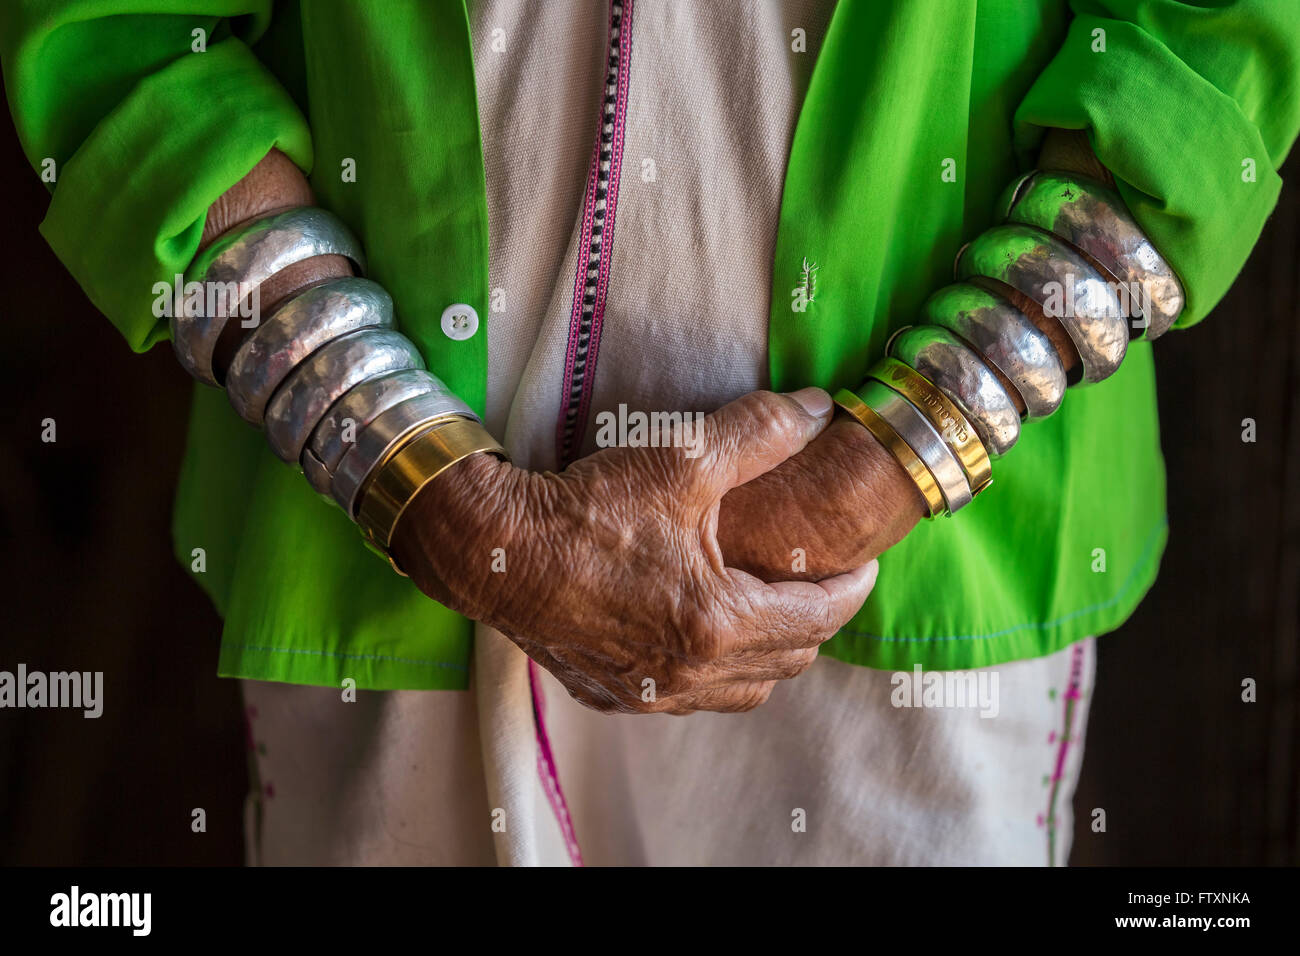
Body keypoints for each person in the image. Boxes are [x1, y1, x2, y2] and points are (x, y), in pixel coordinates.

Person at [3, 0, 1297, 865]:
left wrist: (895, 456)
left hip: (906, 603)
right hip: (385, 574)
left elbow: (1212, 41)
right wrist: (438, 497)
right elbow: (119, 38)